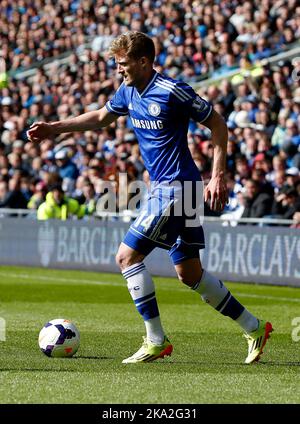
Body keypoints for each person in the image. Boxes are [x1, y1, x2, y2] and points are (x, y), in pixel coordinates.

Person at [27, 31, 273, 364]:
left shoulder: (173, 91)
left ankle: (156, 339)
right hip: (167, 189)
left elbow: (217, 124)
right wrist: (56, 127)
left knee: (126, 257)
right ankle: (255, 327)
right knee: (190, 274)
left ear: (144, 61)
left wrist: (217, 175)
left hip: (177, 187)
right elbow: (101, 117)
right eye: (117, 64)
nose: (119, 70)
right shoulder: (128, 91)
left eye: (123, 63)